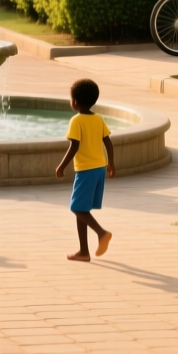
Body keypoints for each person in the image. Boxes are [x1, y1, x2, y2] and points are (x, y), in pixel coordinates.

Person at [54, 77, 116, 262]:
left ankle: (102, 233)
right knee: (82, 208)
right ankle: (83, 252)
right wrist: (111, 163)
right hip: (98, 168)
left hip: (86, 170)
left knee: (77, 208)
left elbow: (74, 146)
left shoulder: (76, 121)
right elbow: (108, 142)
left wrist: (61, 166)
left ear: (74, 101)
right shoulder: (98, 119)